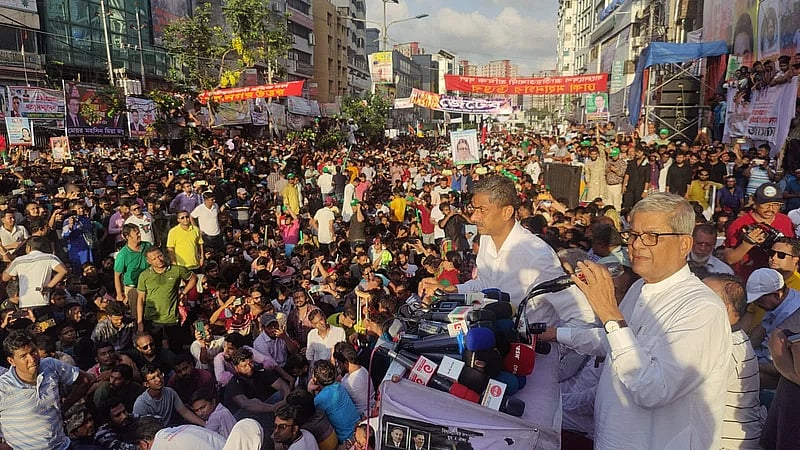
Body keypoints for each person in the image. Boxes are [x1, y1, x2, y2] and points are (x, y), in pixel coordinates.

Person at [419, 175, 596, 432]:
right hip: (498, 358)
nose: (474, 216)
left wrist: (551, 336)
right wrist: (450, 290)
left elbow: (581, 316)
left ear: (507, 212)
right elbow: (484, 289)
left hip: (536, 367)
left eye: (482, 210)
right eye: (473, 209)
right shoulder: (488, 241)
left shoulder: (536, 255)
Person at [559, 192, 732, 449]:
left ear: (684, 244)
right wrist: (557, 334)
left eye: (652, 236)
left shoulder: (701, 309)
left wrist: (609, 312)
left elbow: (653, 389)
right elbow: (617, 344)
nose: (637, 245)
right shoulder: (640, 288)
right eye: (633, 235)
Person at [702, 273, 766, 449]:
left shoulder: (726, 346)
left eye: (702, 296)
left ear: (727, 307)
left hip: (727, 442)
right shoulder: (733, 337)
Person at [0, 330, 94, 449]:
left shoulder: (50, 365)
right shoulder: (3, 388)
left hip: (63, 446)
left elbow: (87, 380)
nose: (32, 358)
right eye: (23, 356)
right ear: (11, 361)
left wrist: (64, 407)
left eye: (33, 351)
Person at [724, 182, 795, 280]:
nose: (770, 208)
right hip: (749, 279)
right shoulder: (739, 224)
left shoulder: (785, 221)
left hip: (780, 279)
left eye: (775, 204)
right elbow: (729, 259)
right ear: (754, 202)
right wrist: (747, 244)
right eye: (765, 204)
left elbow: (794, 251)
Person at [136, 247, 197, 351]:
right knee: (155, 348)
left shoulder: (176, 270)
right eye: (154, 258)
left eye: (160, 256)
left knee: (176, 347)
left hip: (172, 317)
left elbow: (193, 278)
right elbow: (140, 299)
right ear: (148, 261)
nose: (158, 260)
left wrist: (184, 292)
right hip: (152, 318)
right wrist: (140, 322)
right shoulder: (144, 275)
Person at [2, 235, 69, 308]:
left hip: (25, 303)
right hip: (42, 301)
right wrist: (48, 286)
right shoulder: (50, 257)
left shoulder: (18, 260)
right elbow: (63, 270)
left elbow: (5, 277)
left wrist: (11, 262)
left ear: (28, 247)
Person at [133, 364, 206, 427]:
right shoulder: (141, 404)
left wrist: (205, 424)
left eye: (160, 375)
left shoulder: (170, 392)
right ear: (146, 384)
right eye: (153, 378)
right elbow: (142, 429)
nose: (158, 379)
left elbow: (184, 412)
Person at [114, 224, 152, 319]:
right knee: (137, 316)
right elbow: (117, 276)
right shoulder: (123, 254)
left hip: (150, 285)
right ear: (127, 236)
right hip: (134, 288)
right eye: (136, 233)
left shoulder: (147, 245)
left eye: (139, 232)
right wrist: (120, 295)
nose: (139, 235)